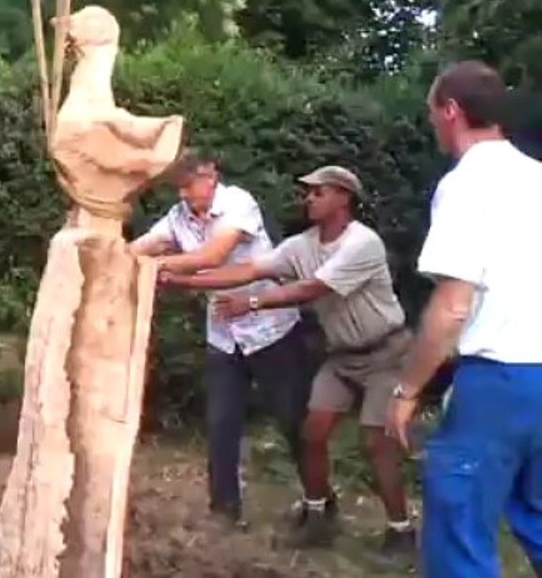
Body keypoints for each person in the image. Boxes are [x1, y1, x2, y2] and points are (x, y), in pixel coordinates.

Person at [161, 165, 416, 559]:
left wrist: (253, 302)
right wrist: (183, 281)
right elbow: (250, 269)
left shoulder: (362, 243)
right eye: (308, 192)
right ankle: (318, 517)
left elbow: (312, 287)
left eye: (319, 192)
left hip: (386, 353)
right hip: (343, 356)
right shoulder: (302, 245)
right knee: (312, 431)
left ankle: (401, 530)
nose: (309, 198)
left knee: (374, 441)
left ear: (343, 198)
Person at [386, 61, 542, 578]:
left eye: (433, 111)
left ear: (450, 110)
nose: (432, 122)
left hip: (500, 380)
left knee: (460, 531)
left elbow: (453, 304)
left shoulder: (468, 182)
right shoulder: (538, 178)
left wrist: (407, 392)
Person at [130, 149, 314, 529]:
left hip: (271, 329)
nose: (182, 195)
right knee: (221, 423)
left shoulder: (238, 203)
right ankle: (224, 510)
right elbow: (149, 242)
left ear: (210, 176)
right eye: (177, 188)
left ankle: (318, 501)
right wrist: (118, 255)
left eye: (187, 186)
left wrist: (155, 267)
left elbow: (212, 256)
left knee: (293, 419)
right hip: (224, 335)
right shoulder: (179, 215)